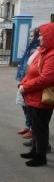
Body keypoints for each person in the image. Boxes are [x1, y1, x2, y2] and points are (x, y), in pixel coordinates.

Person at [19, 22, 54, 167]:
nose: (39, 38)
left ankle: (41, 156)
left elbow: (47, 78)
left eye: (42, 36)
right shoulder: (42, 51)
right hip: (33, 95)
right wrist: (23, 84)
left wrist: (25, 86)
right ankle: (34, 150)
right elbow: (31, 70)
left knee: (40, 128)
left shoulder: (51, 55)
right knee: (35, 125)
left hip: (41, 98)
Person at [15, 28, 39, 139]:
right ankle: (28, 126)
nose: (30, 38)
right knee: (24, 106)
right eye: (29, 36)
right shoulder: (31, 49)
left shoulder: (38, 50)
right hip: (24, 81)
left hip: (30, 83)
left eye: (32, 36)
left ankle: (32, 129)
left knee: (30, 107)